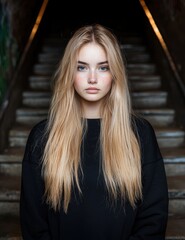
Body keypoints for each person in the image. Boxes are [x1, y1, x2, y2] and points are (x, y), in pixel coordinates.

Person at [20, 23, 169, 240]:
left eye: (103, 67)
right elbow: (33, 223)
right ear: (69, 72)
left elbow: (153, 218)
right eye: (81, 67)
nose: (92, 78)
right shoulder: (42, 137)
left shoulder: (140, 135)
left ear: (115, 73)